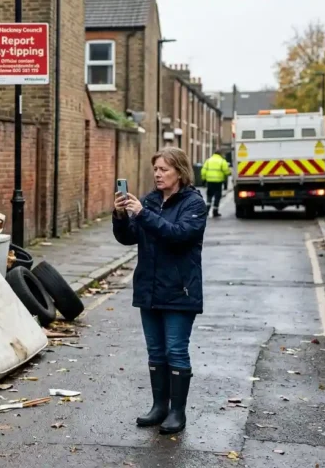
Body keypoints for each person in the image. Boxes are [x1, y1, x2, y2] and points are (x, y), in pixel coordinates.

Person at [112, 147, 207, 435]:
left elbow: (177, 235)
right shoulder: (150, 201)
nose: (157, 174)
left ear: (180, 171)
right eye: (155, 169)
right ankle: (159, 407)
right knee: (155, 351)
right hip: (149, 289)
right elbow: (129, 238)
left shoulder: (194, 204)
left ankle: (177, 412)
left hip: (180, 291)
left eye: (164, 169)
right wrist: (120, 216)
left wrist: (142, 215)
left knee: (175, 351)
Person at [200, 151, 231, 217]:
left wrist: (203, 179)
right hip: (218, 182)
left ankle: (207, 211)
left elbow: (203, 171)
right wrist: (228, 174)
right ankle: (215, 211)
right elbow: (226, 171)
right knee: (217, 196)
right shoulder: (222, 161)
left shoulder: (208, 161)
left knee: (209, 196)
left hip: (209, 181)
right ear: (220, 154)